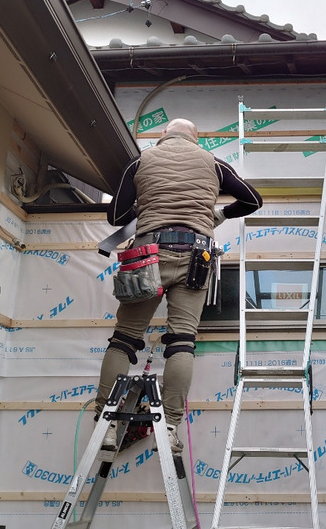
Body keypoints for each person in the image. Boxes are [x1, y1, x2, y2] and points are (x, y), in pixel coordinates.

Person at [96, 117, 262, 452]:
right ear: (196, 137)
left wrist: (145, 205)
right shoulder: (213, 163)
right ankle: (169, 427)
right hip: (196, 258)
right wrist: (219, 214)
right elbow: (253, 200)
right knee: (182, 341)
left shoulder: (141, 162)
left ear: (163, 136)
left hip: (148, 254)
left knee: (124, 339)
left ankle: (107, 423)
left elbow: (115, 217)